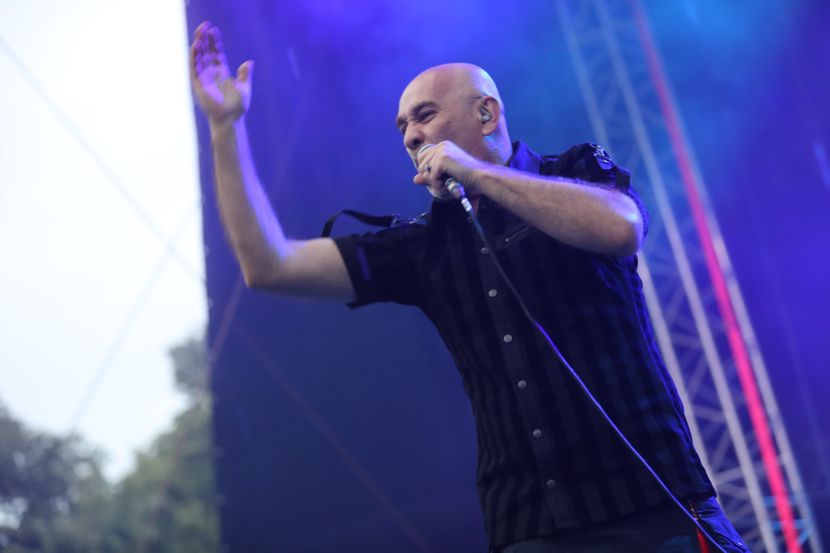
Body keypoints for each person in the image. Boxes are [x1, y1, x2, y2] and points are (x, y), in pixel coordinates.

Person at [190, 21, 750, 553]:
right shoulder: (422, 245)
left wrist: (476, 173)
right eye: (402, 128)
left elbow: (621, 227)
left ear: (486, 113)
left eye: (425, 115)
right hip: (529, 525)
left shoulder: (573, 170)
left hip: (651, 504)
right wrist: (225, 129)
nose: (412, 135)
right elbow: (269, 265)